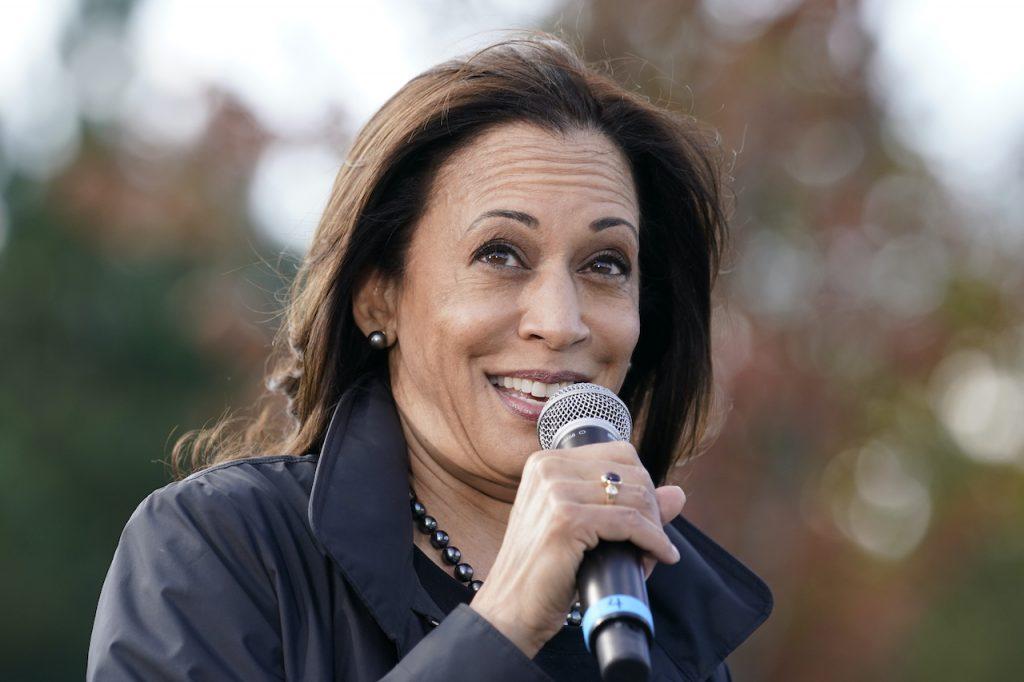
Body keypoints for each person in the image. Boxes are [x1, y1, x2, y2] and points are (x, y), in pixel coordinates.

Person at [87, 33, 772, 681]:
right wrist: (501, 625)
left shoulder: (666, 624)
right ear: (378, 297)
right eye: (500, 255)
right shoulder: (221, 550)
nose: (560, 322)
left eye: (604, 264)